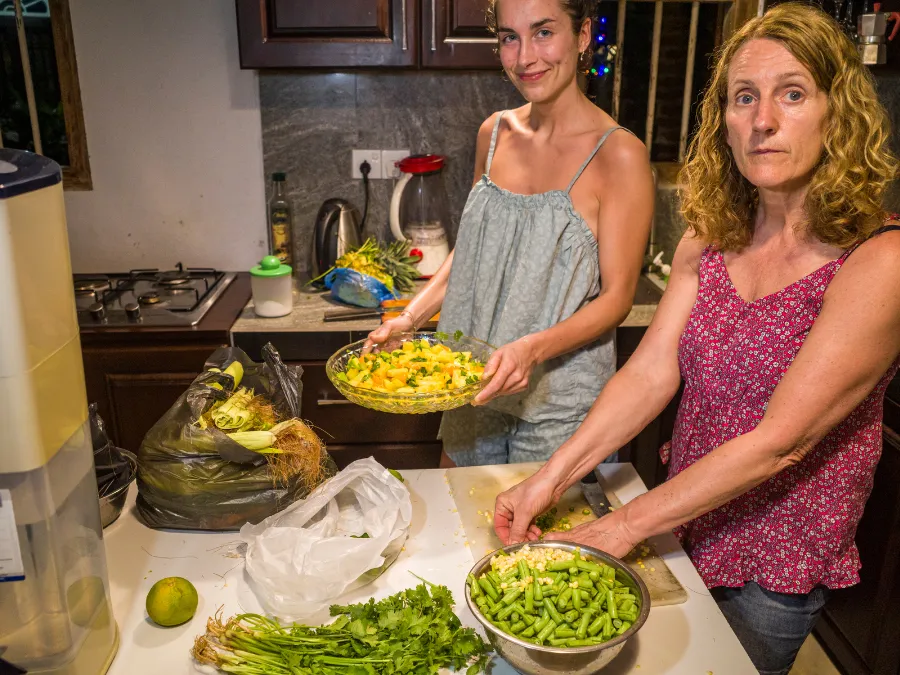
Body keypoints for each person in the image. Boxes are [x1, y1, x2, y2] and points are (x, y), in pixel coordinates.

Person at [491, 4, 900, 673]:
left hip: (773, 563)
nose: (763, 120)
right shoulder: (714, 231)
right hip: (683, 520)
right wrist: (548, 479)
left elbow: (781, 440)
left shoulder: (879, 260)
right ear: (725, 121)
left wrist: (619, 526)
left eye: (791, 94)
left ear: (837, 111)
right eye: (745, 98)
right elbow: (651, 371)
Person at [366, 0, 654, 468]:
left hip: (556, 405)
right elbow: (473, 253)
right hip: (472, 385)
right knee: (459, 531)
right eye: (509, 37)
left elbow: (617, 299)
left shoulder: (619, 155)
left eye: (543, 32)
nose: (525, 58)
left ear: (582, 36)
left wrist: (530, 349)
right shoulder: (494, 133)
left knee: (535, 540)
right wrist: (410, 318)